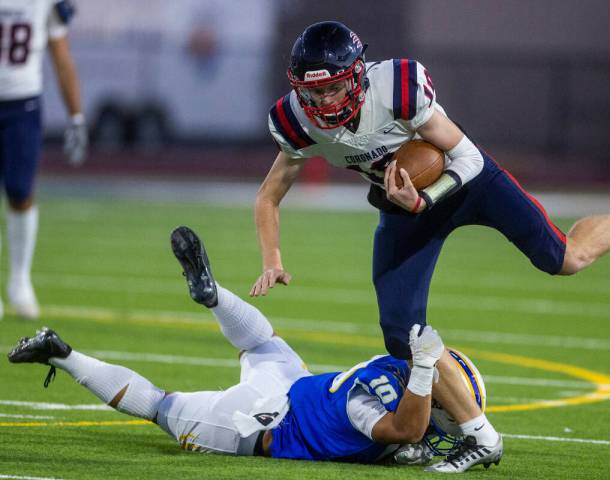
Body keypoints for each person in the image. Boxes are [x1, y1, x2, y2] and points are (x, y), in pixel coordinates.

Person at [251, 21, 610, 471]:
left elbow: (467, 154)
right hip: (404, 208)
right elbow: (269, 196)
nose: (325, 100)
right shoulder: (295, 121)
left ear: (357, 75)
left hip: (468, 182)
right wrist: (272, 259)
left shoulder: (398, 88)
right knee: (402, 335)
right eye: (315, 92)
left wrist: (425, 198)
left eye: (334, 88)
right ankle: (478, 436)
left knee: (566, 258)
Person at [7, 226, 503, 472]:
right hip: (263, 422)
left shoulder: (393, 366)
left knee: (262, 341)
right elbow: (406, 426)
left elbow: (417, 408)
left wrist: (422, 379)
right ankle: (60, 353)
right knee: (159, 405)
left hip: (295, 382)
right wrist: (420, 407)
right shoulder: (380, 405)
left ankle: (214, 294)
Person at [0, 0, 87, 320]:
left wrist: (76, 115)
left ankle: (20, 279)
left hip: (22, 104)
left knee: (21, 192)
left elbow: (60, 54)